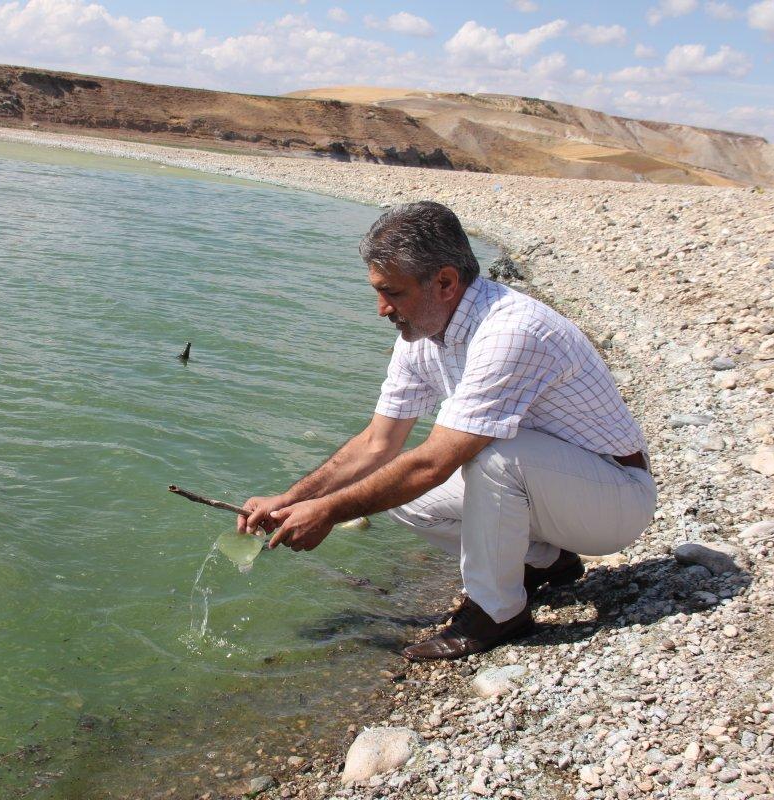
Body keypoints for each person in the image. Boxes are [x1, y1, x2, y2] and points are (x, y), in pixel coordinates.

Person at [239, 201, 656, 661]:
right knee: (399, 494)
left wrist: (329, 513)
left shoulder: (511, 331)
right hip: (558, 491)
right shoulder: (422, 335)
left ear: (444, 282)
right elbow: (378, 443)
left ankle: (497, 613)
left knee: (491, 458)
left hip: (615, 500)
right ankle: (545, 561)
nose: (381, 309)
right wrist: (294, 499)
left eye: (392, 292)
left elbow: (436, 461)